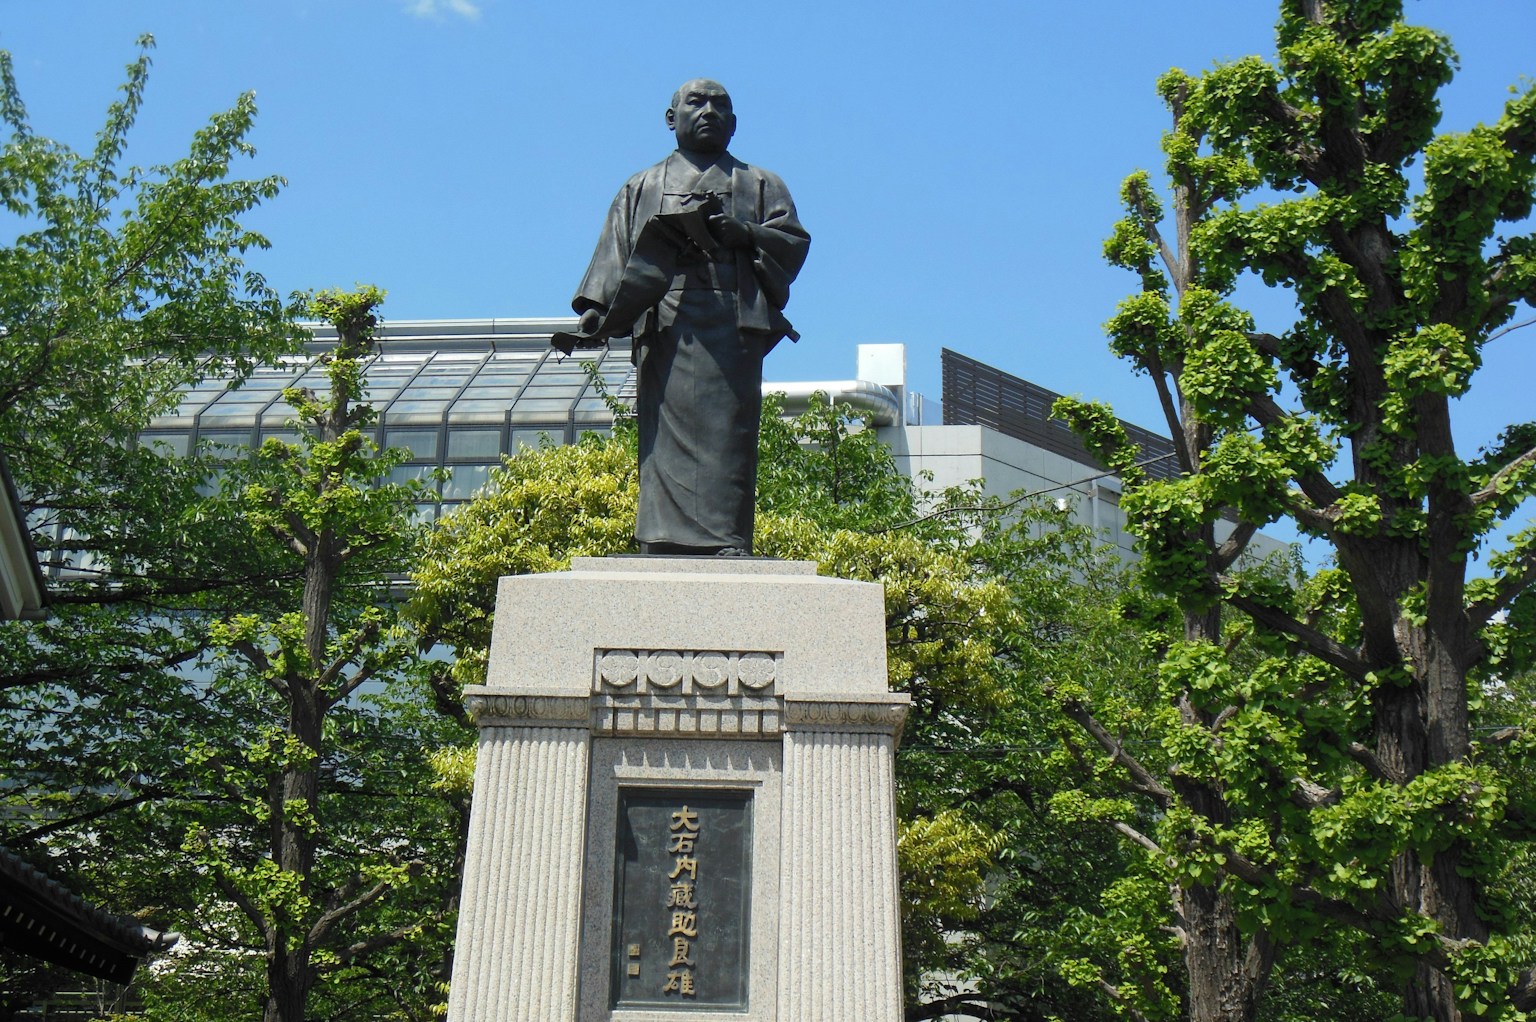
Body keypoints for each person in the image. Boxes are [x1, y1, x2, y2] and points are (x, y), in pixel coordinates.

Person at [560, 79, 810, 555]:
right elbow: (615, 252)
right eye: (696, 102)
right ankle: (660, 537)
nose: (709, 111)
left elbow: (792, 242)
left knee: (728, 434)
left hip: (732, 322)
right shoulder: (641, 186)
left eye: (721, 106)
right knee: (662, 437)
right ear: (671, 118)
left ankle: (726, 538)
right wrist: (596, 309)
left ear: (734, 125)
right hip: (665, 320)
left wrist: (744, 233)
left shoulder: (761, 184)